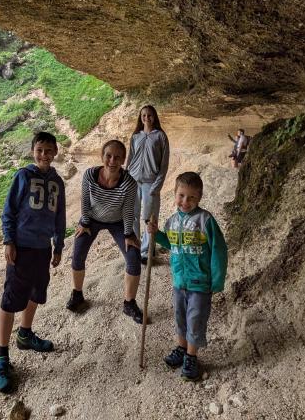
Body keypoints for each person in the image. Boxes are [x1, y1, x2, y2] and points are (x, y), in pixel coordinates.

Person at [0, 131, 66, 393]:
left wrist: (58, 245)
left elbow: (59, 217)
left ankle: (25, 334)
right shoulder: (23, 176)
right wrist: (8, 241)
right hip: (22, 248)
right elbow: (9, 211)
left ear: (55, 152)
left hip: (43, 248)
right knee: (11, 298)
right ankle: (2, 357)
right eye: (39, 150)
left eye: (48, 150)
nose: (44, 155)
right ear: (32, 152)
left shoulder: (57, 182)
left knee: (37, 292)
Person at [146, 172, 228, 381]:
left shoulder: (205, 220)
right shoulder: (172, 221)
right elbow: (172, 244)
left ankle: (191, 357)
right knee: (180, 317)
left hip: (200, 282)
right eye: (181, 196)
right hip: (179, 281)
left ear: (199, 197)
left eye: (191, 197)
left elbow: (219, 250)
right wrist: (157, 234)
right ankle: (182, 349)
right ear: (174, 194)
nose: (185, 201)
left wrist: (217, 280)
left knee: (195, 319)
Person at [66, 140, 144, 323]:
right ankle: (77, 294)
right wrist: (84, 223)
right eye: (108, 156)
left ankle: (129, 303)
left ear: (123, 160)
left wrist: (128, 234)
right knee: (78, 253)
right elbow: (85, 201)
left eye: (117, 157)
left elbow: (128, 211)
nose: (112, 161)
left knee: (133, 257)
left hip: (117, 222)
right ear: (102, 156)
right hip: (91, 220)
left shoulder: (129, 184)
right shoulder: (90, 175)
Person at [126, 105, 170, 265]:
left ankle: (147, 251)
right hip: (133, 180)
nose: (146, 118)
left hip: (151, 182)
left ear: (154, 116)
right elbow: (130, 158)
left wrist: (157, 186)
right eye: (143, 115)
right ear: (140, 117)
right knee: (132, 215)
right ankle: (135, 247)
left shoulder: (160, 136)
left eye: (149, 115)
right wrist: (125, 178)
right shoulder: (136, 136)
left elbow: (164, 163)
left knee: (149, 218)